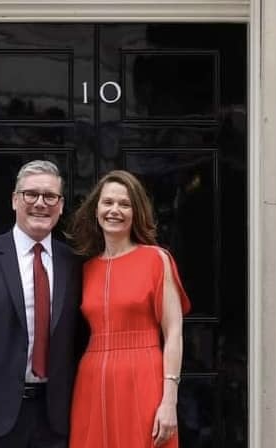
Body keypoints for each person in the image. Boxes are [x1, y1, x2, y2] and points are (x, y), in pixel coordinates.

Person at [0, 160, 82, 448]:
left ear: (60, 206)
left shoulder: (73, 263)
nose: (40, 203)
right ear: (14, 200)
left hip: (56, 417)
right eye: (30, 194)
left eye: (50, 196)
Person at [67, 170, 191, 448]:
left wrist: (169, 400)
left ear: (136, 212)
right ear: (96, 210)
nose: (115, 210)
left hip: (143, 374)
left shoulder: (156, 259)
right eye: (108, 202)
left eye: (124, 204)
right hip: (92, 379)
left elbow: (173, 332)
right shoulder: (86, 269)